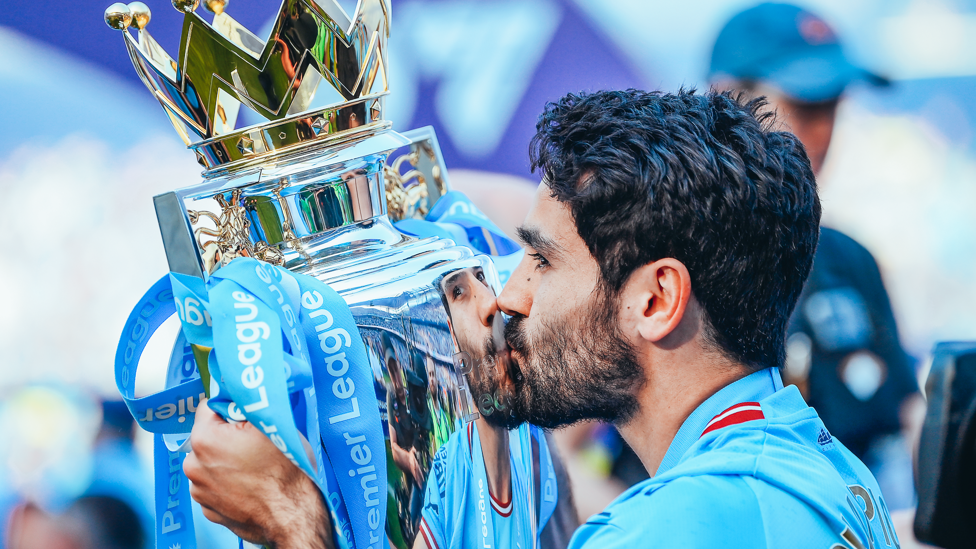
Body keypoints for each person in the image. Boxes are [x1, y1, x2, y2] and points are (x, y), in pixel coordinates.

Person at [184, 88, 899, 547]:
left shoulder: (677, 525)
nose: (507, 296)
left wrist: (292, 519)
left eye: (542, 261)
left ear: (654, 300)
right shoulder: (824, 469)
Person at [708, 2, 920, 509]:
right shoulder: (660, 257)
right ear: (723, 97)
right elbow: (563, 446)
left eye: (835, 106)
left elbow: (912, 421)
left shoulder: (852, 259)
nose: (824, 130)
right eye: (806, 105)